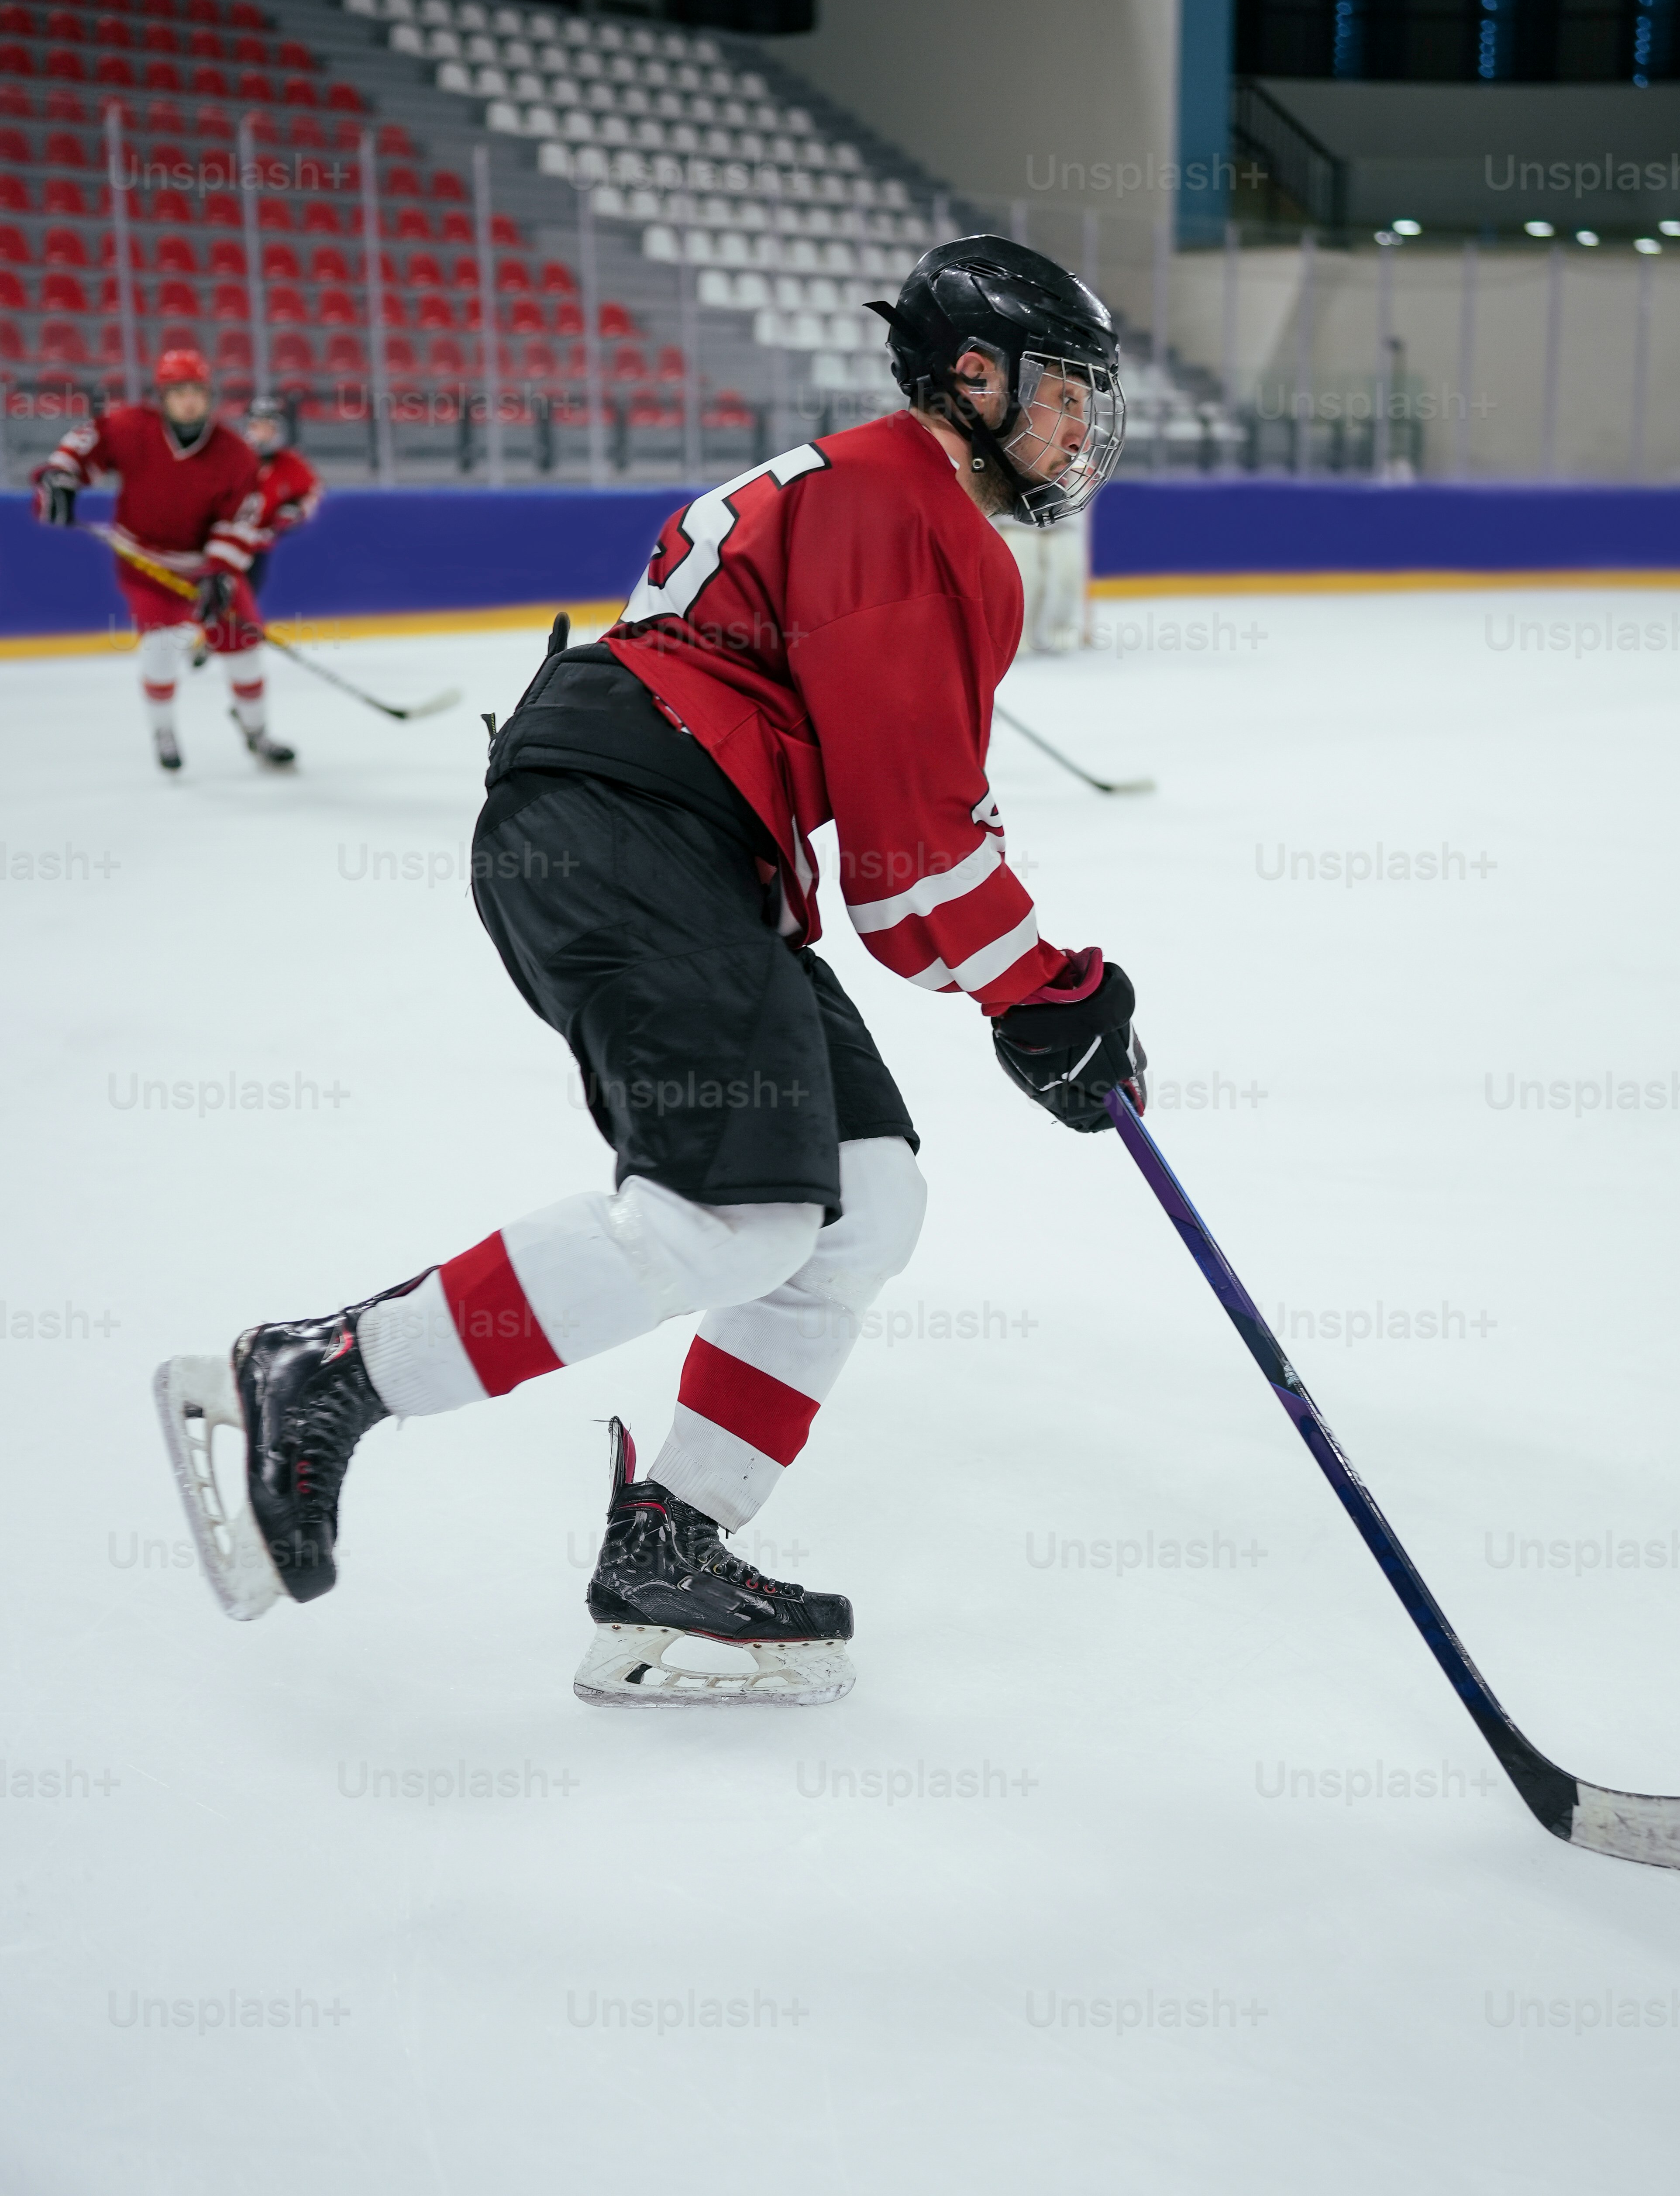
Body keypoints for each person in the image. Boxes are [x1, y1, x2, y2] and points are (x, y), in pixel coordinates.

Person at [155, 237, 1144, 1706]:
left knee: (864, 1200)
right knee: (734, 1209)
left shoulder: (870, 489)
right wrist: (1050, 990)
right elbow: (911, 867)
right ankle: (329, 1370)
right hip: (630, 822)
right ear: (978, 377)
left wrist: (1029, 988)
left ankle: (669, 1537)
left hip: (673, 835)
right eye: (1067, 394)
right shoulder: (912, 510)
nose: (1081, 431)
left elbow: (905, 860)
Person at [31, 346, 295, 771]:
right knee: (160, 647)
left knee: (243, 651)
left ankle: (257, 733)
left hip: (207, 568)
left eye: (196, 390)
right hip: (146, 564)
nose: (188, 399)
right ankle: (164, 731)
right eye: (178, 391)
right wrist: (60, 477)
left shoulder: (235, 454)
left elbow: (240, 520)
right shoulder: (130, 427)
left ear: (209, 396)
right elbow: (82, 447)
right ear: (163, 396)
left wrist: (221, 573)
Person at [238, 393, 323, 597]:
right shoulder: (233, 460)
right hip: (231, 545)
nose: (263, 433)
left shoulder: (290, 463)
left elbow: (314, 493)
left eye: (270, 427)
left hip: (265, 549)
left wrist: (299, 510)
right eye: (258, 426)